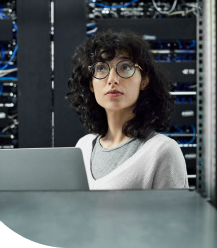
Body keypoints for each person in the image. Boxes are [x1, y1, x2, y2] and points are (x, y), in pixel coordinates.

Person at [66, 29, 189, 190]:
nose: (112, 80)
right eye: (101, 68)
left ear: (144, 80)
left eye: (125, 67)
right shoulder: (83, 146)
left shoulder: (163, 151)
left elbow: (176, 215)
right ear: (91, 85)